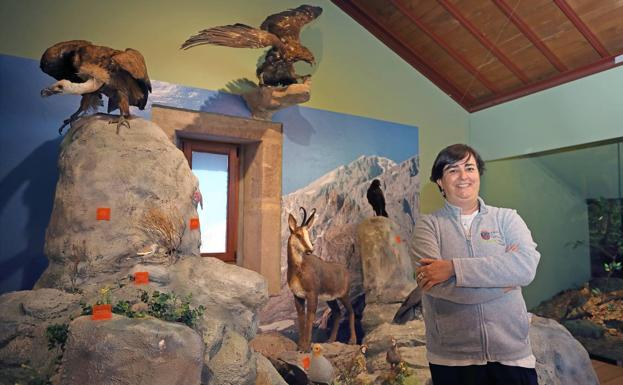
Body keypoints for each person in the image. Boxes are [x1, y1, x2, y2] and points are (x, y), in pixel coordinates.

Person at [412, 144, 540, 385]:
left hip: (511, 354)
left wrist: (452, 268)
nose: (463, 176)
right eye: (452, 170)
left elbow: (525, 267)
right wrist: (502, 282)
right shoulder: (427, 226)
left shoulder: (507, 218)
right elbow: (435, 286)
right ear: (440, 181)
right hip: (451, 358)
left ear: (478, 174)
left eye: (469, 168)